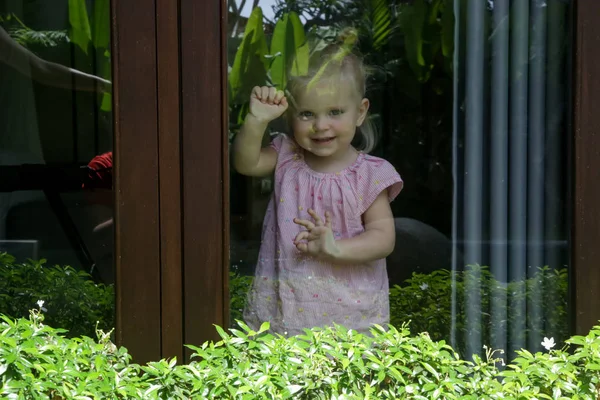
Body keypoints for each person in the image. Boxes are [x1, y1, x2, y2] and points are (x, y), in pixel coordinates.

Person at [233, 30, 403, 335]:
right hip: (285, 305)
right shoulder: (286, 155)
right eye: (307, 113)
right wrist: (256, 120)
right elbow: (246, 164)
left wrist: (335, 248)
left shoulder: (369, 174)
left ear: (360, 112)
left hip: (351, 313)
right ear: (291, 117)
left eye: (335, 112)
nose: (321, 125)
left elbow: (383, 238)